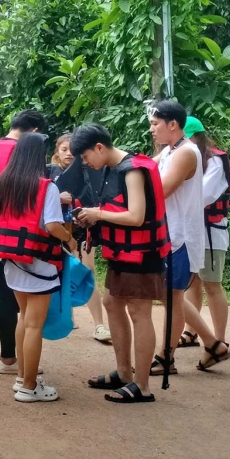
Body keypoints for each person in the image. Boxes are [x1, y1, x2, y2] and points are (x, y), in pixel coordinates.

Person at [72, 123, 170, 404]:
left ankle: (142, 385)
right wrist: (91, 216)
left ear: (100, 148)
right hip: (123, 253)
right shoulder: (112, 170)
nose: (86, 162)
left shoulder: (132, 170)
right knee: (112, 303)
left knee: (140, 312)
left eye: (86, 156)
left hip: (141, 254)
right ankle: (124, 372)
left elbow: (136, 216)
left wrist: (97, 214)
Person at [0, 132, 76, 402]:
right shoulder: (45, 186)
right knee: (34, 325)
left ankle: (21, 378)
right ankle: (29, 387)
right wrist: (70, 239)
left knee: (24, 319)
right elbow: (51, 225)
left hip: (12, 262)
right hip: (39, 264)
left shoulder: (1, 182)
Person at [147, 100, 221, 377]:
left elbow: (160, 190)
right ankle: (213, 344)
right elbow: (144, 169)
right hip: (170, 236)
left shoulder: (185, 153)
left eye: (155, 124)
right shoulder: (171, 150)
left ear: (172, 125)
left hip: (179, 238)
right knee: (171, 298)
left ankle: (166, 358)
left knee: (172, 298)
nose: (152, 130)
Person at [0, 109, 45, 373]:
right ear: (34, 132)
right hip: (11, 228)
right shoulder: (23, 153)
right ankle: (9, 360)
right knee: (8, 292)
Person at [48, 133, 110, 344]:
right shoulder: (50, 173)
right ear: (57, 152)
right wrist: (58, 198)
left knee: (87, 271)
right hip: (58, 232)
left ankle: (99, 325)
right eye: (63, 149)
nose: (68, 153)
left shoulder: (91, 172)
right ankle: (67, 315)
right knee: (60, 272)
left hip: (84, 232)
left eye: (72, 150)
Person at [183, 116, 230, 368]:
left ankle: (219, 340)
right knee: (192, 281)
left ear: (194, 137)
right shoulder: (184, 157)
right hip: (191, 230)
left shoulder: (213, 161)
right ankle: (191, 331)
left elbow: (203, 195)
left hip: (210, 231)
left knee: (212, 285)